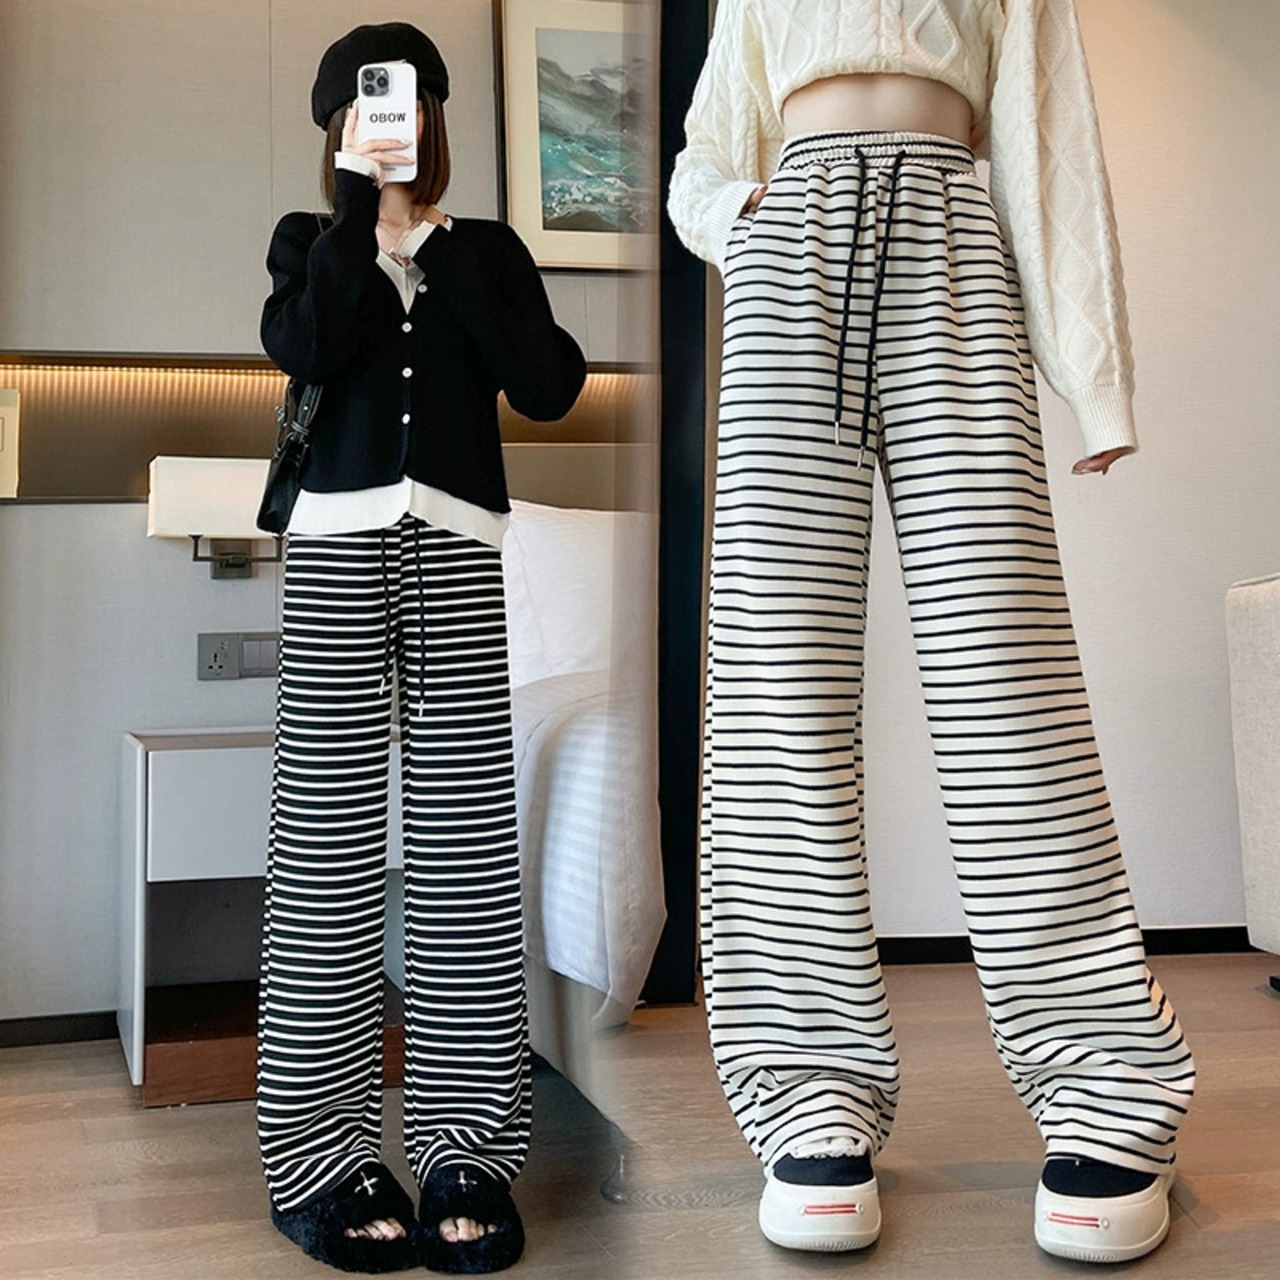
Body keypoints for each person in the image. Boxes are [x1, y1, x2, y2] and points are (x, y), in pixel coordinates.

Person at [668, 0, 1195, 1265]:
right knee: (773, 686)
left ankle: (1105, 1079)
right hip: (785, 248)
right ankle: (807, 1088)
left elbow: (1045, 132)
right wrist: (741, 218)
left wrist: (1092, 375)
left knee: (1003, 676)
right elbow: (707, 147)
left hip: (952, 234)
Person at [255, 22, 586, 1275]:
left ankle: (465, 1151)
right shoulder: (308, 242)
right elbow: (302, 346)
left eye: (399, 104)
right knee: (324, 853)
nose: (385, 123)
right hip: (337, 553)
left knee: (463, 859)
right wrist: (360, 214)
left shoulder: (486, 252)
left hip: (456, 551)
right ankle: (320, 1156)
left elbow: (547, 384)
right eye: (361, 107)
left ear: (433, 116)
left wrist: (442, 252)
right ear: (337, 126)